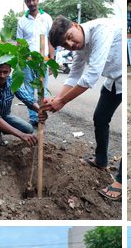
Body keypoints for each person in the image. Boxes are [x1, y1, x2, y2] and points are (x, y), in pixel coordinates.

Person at [44, 16, 123, 173]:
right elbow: (74, 75)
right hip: (112, 80)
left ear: (75, 25)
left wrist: (62, 102)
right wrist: (56, 99)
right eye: (65, 45)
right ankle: (101, 161)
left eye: (69, 38)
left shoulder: (101, 30)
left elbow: (92, 75)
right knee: (100, 118)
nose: (71, 45)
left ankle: (120, 180)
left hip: (123, 78)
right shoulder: (78, 47)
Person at [0, 55, 40, 159]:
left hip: (3, 116)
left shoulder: (13, 82)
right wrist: (21, 135)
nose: (2, 76)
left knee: (28, 129)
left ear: (10, 70)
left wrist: (40, 111)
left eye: (5, 72)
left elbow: (27, 99)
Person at [16, 0, 53, 129]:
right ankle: (33, 118)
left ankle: (41, 115)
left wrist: (51, 59)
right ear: (25, 2)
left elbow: (51, 40)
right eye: (28, 1)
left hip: (43, 61)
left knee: (42, 89)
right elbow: (20, 43)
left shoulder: (47, 18)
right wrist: (20, 62)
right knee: (29, 91)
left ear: (38, 0)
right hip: (27, 62)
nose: (31, 3)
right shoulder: (21, 21)